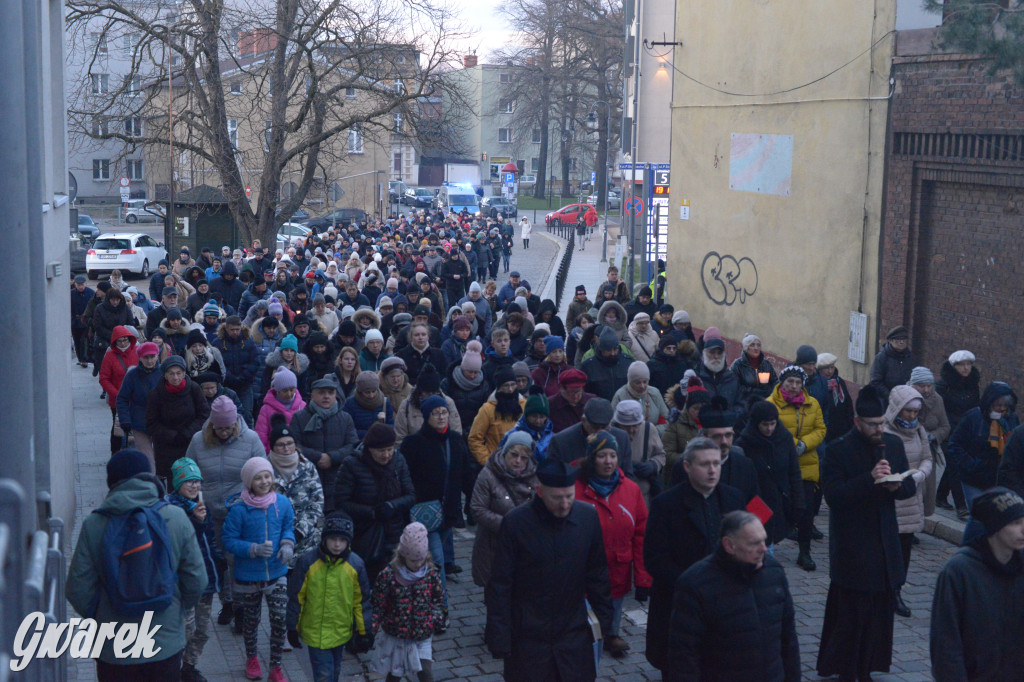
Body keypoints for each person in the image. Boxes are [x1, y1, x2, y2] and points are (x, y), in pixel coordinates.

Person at [66, 449, 207, 682]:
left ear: (112, 483)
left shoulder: (95, 523)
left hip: (114, 648)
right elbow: (197, 579)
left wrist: (101, 617)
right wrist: (176, 611)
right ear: (149, 478)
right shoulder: (175, 517)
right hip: (165, 644)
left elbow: (76, 589)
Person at [817, 385, 917, 682]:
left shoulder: (893, 446)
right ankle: (847, 669)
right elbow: (833, 496)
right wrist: (868, 480)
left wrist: (898, 486)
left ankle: (867, 667)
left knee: (877, 616)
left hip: (885, 542)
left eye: (882, 423)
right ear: (857, 422)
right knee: (852, 616)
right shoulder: (838, 450)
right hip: (853, 546)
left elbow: (909, 486)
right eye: (873, 425)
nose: (879, 429)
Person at [484, 459, 613, 681]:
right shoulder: (516, 523)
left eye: (569, 497)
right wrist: (499, 635)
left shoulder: (587, 518)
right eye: (557, 498)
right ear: (540, 492)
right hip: (528, 637)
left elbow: (597, 574)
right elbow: (500, 584)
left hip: (573, 634)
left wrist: (605, 622)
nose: (564, 505)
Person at [643, 437, 745, 672]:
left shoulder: (733, 498)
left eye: (717, 464)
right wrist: (694, 586)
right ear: (687, 467)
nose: (712, 471)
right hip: (679, 604)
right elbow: (655, 559)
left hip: (725, 604)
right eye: (704, 464)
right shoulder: (665, 505)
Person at [667, 512, 800, 682]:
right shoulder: (695, 584)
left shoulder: (774, 572)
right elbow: (684, 655)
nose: (764, 549)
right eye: (754, 543)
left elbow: (788, 639)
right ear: (729, 545)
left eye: (764, 540)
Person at [185, 394, 264, 630]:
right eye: (219, 428)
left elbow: (263, 474)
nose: (224, 432)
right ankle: (227, 602)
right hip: (208, 513)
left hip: (239, 513)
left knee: (236, 561)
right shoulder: (198, 441)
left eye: (228, 427)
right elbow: (189, 473)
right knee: (217, 561)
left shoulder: (250, 440)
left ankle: (241, 607)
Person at [930, 487, 1024, 681]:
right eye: (1015, 523)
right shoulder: (959, 572)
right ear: (995, 527)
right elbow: (946, 645)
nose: (1023, 529)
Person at [574, 430, 651, 658]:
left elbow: (641, 534)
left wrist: (643, 577)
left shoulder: (631, 489)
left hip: (618, 566)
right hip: (583, 569)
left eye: (612, 455)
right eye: (601, 456)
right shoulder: (576, 489)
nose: (608, 462)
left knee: (614, 605)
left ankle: (611, 634)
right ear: (591, 459)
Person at [221, 457, 296, 682]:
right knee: (251, 621)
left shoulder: (282, 503)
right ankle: (252, 658)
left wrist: (287, 544)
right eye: (258, 478)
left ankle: (276, 666)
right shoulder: (239, 510)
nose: (264, 481)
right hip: (248, 576)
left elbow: (288, 527)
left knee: (279, 619)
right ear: (248, 482)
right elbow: (228, 540)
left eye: (267, 476)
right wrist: (252, 549)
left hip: (276, 573)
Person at [286, 513, 373, 682]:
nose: (337, 544)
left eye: (342, 539)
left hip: (341, 630)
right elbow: (297, 597)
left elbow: (361, 601)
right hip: (315, 632)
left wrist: (364, 631)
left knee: (334, 670)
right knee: (324, 674)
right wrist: (292, 626)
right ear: (325, 538)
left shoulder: (355, 565)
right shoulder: (308, 562)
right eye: (333, 539)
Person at [166, 458, 224, 682]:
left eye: (197, 482)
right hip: (184, 583)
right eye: (189, 482)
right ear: (177, 483)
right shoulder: (171, 508)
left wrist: (220, 564)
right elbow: (179, 541)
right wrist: (195, 520)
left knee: (202, 630)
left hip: (206, 579)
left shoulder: (202, 506)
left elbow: (210, 540)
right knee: (185, 629)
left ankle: (188, 667)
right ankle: (172, 666)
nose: (195, 486)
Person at [335, 424, 417, 581]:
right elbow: (341, 502)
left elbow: (411, 495)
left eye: (389, 449)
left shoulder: (398, 460)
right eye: (381, 451)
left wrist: (392, 505)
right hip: (365, 535)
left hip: (394, 533)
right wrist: (372, 512)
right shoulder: (351, 465)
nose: (386, 455)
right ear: (369, 448)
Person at [766, 364, 826, 570]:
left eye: (798, 382)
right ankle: (767, 547)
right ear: (782, 382)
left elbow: (820, 429)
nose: (793, 386)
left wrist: (805, 444)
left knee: (807, 511)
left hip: (807, 464)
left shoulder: (813, 403)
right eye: (790, 381)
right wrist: (793, 444)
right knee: (776, 507)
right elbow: (771, 430)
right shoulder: (771, 404)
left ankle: (804, 552)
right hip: (780, 465)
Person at [370, 522, 446, 682]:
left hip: (422, 634)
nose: (418, 565)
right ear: (403, 556)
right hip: (397, 635)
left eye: (421, 560)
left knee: (426, 673)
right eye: (413, 561)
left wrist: (436, 618)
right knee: (395, 675)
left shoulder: (431, 573)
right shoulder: (388, 576)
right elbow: (378, 605)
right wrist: (371, 628)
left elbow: (438, 599)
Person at [470, 432, 537, 587]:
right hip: (494, 546)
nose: (518, 461)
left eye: (524, 458)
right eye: (514, 455)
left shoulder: (534, 476)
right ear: (505, 452)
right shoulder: (488, 475)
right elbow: (478, 509)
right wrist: (509, 525)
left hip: (524, 548)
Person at [736, 401, 805, 551]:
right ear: (756, 423)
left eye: (772, 424)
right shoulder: (744, 444)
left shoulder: (784, 438)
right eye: (765, 424)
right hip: (755, 503)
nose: (769, 429)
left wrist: (798, 501)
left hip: (779, 500)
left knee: (770, 542)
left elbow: (794, 471)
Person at [289, 375, 359, 513]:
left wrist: (332, 458)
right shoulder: (299, 418)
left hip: (339, 481)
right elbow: (293, 445)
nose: (326, 396)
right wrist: (318, 457)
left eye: (330, 393)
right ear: (313, 395)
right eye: (321, 392)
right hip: (308, 481)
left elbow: (353, 446)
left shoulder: (345, 418)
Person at [947, 381, 1019, 511]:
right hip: (974, 479)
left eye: (1005, 406)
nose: (1002, 409)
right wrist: (971, 465)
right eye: (998, 405)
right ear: (989, 403)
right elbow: (954, 445)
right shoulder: (973, 417)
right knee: (979, 516)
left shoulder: (1011, 419)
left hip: (999, 480)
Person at [267, 424, 325, 568]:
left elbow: (317, 502)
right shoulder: (264, 469)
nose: (286, 449)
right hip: (274, 541)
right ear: (272, 447)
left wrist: (299, 532)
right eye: (280, 445)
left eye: (289, 443)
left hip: (307, 541)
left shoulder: (307, 467)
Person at [147, 355, 211, 481]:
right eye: (171, 374)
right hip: (166, 446)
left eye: (178, 373)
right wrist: (172, 436)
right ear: (165, 375)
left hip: (191, 442)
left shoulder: (194, 389)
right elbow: (152, 422)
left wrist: (187, 433)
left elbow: (204, 414)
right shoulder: (156, 394)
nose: (175, 377)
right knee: (172, 480)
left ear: (184, 373)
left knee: (192, 478)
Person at [936, 350, 981, 515]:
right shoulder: (944, 384)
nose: (966, 368)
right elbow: (939, 409)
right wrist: (949, 426)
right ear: (954, 366)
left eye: (969, 364)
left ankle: (940, 496)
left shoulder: (973, 383)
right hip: (948, 429)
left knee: (952, 465)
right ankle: (961, 505)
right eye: (962, 365)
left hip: (966, 430)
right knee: (956, 465)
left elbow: (976, 406)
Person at [393, 363, 462, 449]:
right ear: (420, 391)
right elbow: (399, 438)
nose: (431, 396)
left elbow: (456, 433)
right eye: (427, 393)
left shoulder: (448, 403)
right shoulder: (407, 405)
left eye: (434, 393)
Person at [468, 366, 526, 465]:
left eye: (513, 385)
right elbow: (474, 439)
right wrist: (488, 461)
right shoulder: (487, 409)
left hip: (521, 463)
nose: (510, 389)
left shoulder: (524, 405)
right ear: (499, 388)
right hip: (497, 464)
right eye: (506, 386)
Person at [662, 377, 710, 485]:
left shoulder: (712, 424)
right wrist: (692, 458)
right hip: (680, 478)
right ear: (688, 408)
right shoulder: (676, 424)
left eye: (703, 408)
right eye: (695, 408)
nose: (699, 412)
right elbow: (667, 454)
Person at [99, 326, 139, 453]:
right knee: (118, 428)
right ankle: (116, 454)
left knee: (137, 427)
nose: (123, 343)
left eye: (125, 340)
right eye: (119, 341)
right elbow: (104, 378)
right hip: (118, 400)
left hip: (137, 398)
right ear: (115, 342)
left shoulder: (138, 351)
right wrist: (117, 394)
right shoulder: (110, 356)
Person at [255, 367, 308, 452]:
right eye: (285, 391)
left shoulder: (302, 406)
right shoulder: (266, 409)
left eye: (292, 389)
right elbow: (261, 436)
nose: (289, 394)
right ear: (277, 391)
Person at [611, 361, 670, 436]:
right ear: (630, 381)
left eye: (645, 382)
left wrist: (653, 431)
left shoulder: (655, 393)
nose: (642, 386)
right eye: (638, 383)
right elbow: (613, 424)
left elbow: (667, 420)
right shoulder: (620, 395)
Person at [581, 328, 632, 401]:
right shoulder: (588, 366)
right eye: (608, 350)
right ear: (601, 349)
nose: (612, 353)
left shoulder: (628, 362)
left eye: (615, 349)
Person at [868, 325, 916, 400]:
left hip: (905, 398)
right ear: (890, 341)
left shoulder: (910, 357)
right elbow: (875, 381)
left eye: (904, 339)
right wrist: (890, 395)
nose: (901, 342)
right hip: (885, 400)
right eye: (898, 339)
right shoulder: (882, 357)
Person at [731, 333, 779, 404]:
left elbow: (775, 382)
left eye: (758, 345)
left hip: (764, 402)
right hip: (744, 403)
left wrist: (770, 394)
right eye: (752, 345)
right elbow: (734, 386)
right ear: (746, 348)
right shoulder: (738, 365)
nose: (756, 348)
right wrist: (753, 392)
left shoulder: (766, 365)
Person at [696, 337, 740, 409]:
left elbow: (740, 405)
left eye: (719, 353)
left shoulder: (733, 379)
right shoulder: (696, 377)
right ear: (704, 354)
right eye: (712, 352)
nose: (716, 357)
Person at [71, 274, 95, 367]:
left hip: (86, 321)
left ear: (86, 284)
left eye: (82, 285)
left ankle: (84, 359)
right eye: (78, 285)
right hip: (75, 322)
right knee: (76, 340)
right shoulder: (71, 294)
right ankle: (80, 358)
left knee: (84, 340)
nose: (80, 287)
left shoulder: (91, 293)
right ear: (75, 284)